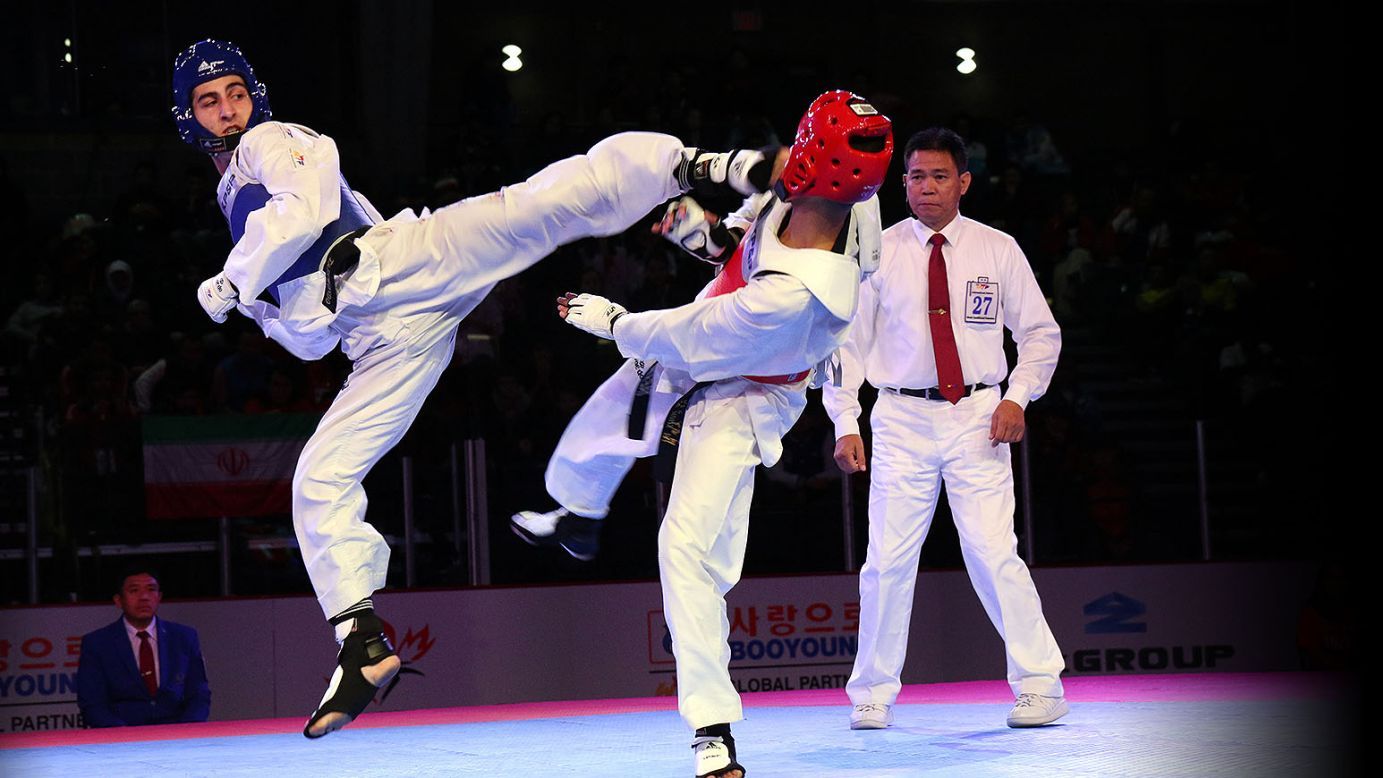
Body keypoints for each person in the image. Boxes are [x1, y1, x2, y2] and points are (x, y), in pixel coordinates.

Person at [171, 38, 780, 739]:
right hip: (384, 338)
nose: (228, 111)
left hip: (404, 266)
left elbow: (305, 210)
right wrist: (262, 299)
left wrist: (232, 277)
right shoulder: (229, 190)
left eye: (235, 94)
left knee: (536, 208)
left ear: (256, 96)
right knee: (318, 477)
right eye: (209, 102)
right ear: (188, 117)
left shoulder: (274, 140)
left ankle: (708, 164)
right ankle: (361, 642)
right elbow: (303, 320)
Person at [513, 90, 893, 778]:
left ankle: (711, 728)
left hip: (747, 393)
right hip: (719, 329)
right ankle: (578, 515)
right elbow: (739, 241)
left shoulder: (803, 290)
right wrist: (705, 234)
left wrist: (611, 321)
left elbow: (688, 336)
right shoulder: (833, 188)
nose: (791, 169)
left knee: (688, 553)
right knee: (609, 414)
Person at [823, 127, 1068, 730]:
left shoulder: (996, 248)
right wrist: (845, 420)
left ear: (963, 182)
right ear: (900, 182)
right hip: (901, 417)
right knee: (885, 560)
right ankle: (872, 693)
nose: (925, 187)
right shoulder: (874, 251)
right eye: (914, 176)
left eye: (937, 176)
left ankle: (1040, 684)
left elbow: (1040, 333)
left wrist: (1017, 398)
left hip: (979, 417)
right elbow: (846, 343)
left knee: (991, 552)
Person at [76, 568, 212, 727]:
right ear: (118, 600)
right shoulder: (97, 643)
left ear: (159, 597)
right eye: (134, 591)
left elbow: (199, 694)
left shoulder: (184, 637)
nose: (144, 597)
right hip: (121, 740)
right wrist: (123, 737)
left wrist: (185, 732)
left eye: (151, 590)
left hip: (177, 736)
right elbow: (92, 704)